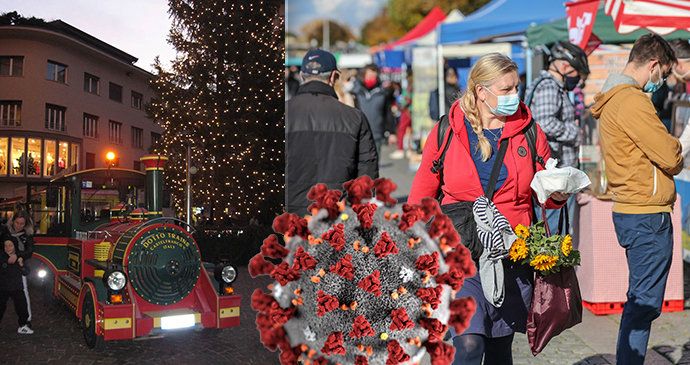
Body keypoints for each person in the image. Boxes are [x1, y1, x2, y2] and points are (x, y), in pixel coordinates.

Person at [408, 53, 568, 365]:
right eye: (506, 90)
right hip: (461, 251)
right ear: (482, 91)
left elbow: (544, 195)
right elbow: (421, 194)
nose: (515, 96)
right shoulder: (447, 130)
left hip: (511, 252)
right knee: (467, 345)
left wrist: (558, 194)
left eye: (516, 88)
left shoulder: (529, 132)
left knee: (498, 348)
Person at [591, 33, 681, 365]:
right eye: (665, 73)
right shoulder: (631, 100)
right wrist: (678, 146)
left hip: (636, 209)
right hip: (646, 213)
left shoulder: (617, 98)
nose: (664, 81)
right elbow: (669, 155)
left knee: (641, 301)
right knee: (643, 304)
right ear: (654, 65)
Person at [285, 49, 378, 216]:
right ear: (334, 76)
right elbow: (366, 177)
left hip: (288, 216)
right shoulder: (354, 117)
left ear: (302, 76)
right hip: (337, 217)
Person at [526, 41, 590, 234]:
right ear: (564, 66)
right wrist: (575, 133)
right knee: (554, 232)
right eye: (575, 74)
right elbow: (543, 122)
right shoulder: (549, 87)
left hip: (555, 176)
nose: (576, 80)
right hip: (555, 178)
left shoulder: (548, 86)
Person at [350, 64, 395, 159]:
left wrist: (391, 132)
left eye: (374, 76)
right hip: (359, 133)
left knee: (375, 163)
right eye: (369, 76)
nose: (372, 78)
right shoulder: (356, 92)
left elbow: (387, 113)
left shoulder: (382, 93)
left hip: (376, 134)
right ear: (364, 75)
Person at [4, 210, 33, 328]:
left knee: (23, 292)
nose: (19, 226)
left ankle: (27, 319)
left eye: (22, 224)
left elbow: (29, 251)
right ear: (13, 221)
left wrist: (19, 256)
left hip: (18, 266)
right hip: (4, 265)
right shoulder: (5, 231)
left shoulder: (27, 234)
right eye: (17, 223)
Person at [0, 239, 33, 334]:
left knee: (22, 307)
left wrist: (21, 264)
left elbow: (26, 272)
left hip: (17, 287)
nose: (8, 248)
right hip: (3, 287)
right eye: (6, 246)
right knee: (1, 306)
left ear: (15, 246)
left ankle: (23, 325)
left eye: (10, 245)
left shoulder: (20, 257)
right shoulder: (2, 256)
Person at [390, 73, 413, 160]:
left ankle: (401, 149)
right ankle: (409, 149)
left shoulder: (409, 88)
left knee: (402, 129)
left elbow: (407, 100)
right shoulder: (410, 87)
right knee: (409, 130)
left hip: (407, 111)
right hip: (410, 111)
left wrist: (401, 107)